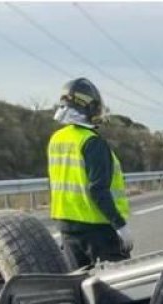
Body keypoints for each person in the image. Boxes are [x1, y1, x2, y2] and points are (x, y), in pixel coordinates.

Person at [47, 78, 134, 267]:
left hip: (67, 225)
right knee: (117, 287)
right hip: (98, 228)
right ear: (87, 108)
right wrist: (120, 225)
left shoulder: (57, 139)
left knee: (79, 285)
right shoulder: (92, 142)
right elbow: (98, 190)